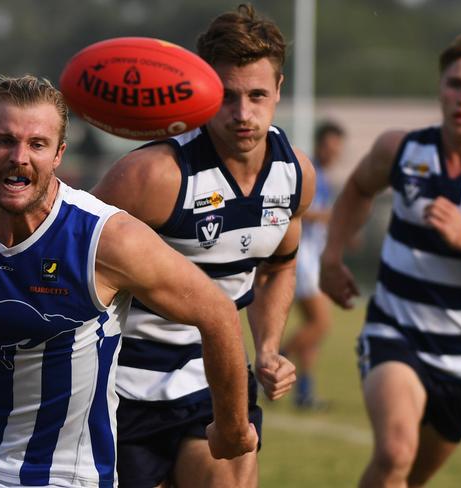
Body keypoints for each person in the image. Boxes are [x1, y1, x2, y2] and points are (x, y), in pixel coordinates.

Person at [0, 75, 257, 488]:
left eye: (37, 144)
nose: (19, 157)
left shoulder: (104, 237)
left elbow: (216, 311)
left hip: (70, 476)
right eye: (5, 140)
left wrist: (233, 427)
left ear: (58, 154)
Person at [91, 5, 315, 487]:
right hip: (118, 389)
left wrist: (270, 347)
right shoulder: (153, 175)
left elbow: (278, 267)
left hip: (212, 382)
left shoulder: (295, 175)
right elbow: (72, 259)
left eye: (257, 95)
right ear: (203, 91)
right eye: (227, 97)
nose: (242, 114)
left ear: (279, 90)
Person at [320, 33, 461, 487]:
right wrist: (332, 254)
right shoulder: (401, 149)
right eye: (456, 83)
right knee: (395, 451)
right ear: (440, 87)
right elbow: (359, 188)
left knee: (409, 477)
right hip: (395, 332)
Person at [280, 121, 345, 409]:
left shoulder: (326, 177)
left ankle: (305, 393)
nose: (333, 152)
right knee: (320, 323)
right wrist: (328, 218)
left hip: (314, 257)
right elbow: (296, 211)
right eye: (329, 146)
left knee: (312, 327)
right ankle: (276, 359)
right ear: (320, 145)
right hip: (302, 258)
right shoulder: (308, 172)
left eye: (337, 148)